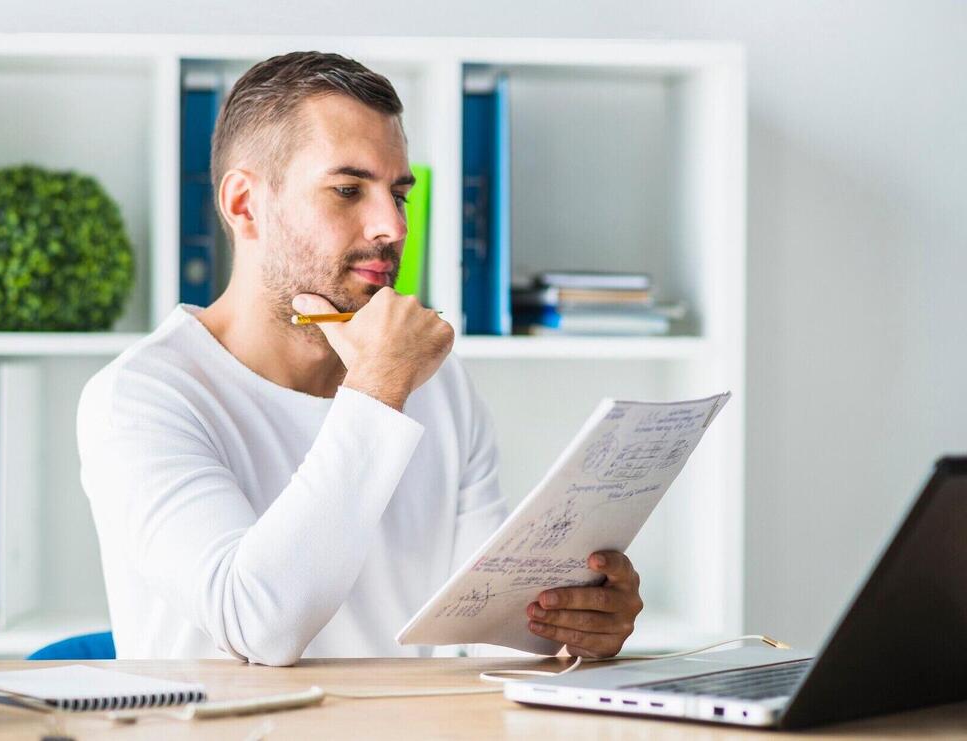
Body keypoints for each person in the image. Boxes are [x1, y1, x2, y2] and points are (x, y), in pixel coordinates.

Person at [77, 51, 643, 666]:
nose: (393, 227)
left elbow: (491, 625)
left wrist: (572, 624)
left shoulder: (439, 382)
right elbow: (257, 626)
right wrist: (379, 387)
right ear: (244, 205)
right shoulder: (140, 396)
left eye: (398, 193)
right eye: (348, 190)